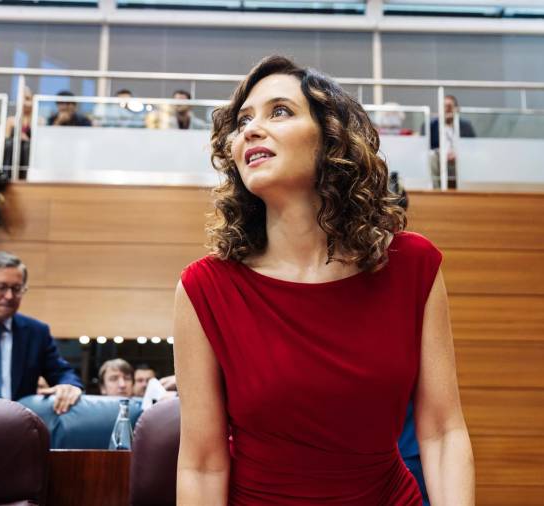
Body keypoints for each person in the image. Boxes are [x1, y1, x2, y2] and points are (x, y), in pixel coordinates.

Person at [174, 55, 474, 504]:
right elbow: (202, 464)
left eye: (280, 111)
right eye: (243, 121)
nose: (251, 130)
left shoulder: (413, 265)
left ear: (332, 138)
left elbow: (442, 432)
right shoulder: (205, 288)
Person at [0, 251, 83, 414]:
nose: (9, 296)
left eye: (16, 289)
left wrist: (70, 386)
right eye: (1, 287)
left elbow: (62, 373)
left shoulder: (36, 333)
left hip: (17, 430)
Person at [427, 94, 476, 190]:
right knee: (431, 156)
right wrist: (441, 152)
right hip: (439, 159)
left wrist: (459, 153)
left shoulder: (466, 126)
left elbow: (473, 146)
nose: (447, 109)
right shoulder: (431, 126)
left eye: (450, 107)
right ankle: (436, 192)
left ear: (457, 109)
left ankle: (469, 190)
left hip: (460, 159)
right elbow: (426, 147)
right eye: (445, 107)